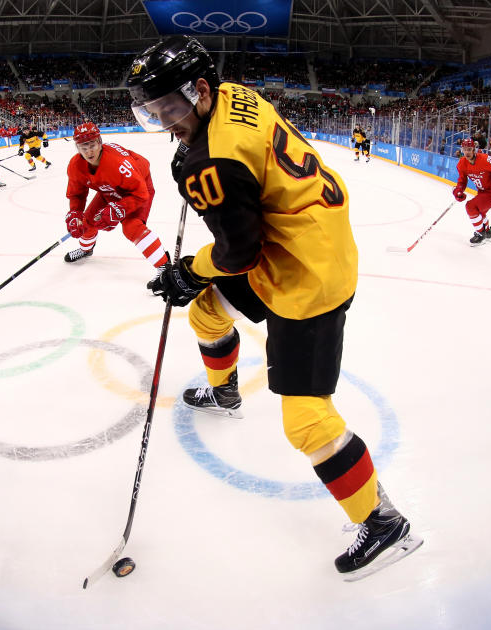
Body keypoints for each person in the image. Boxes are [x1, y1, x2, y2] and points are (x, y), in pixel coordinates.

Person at [127, 35, 421, 580]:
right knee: (206, 310)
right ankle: (227, 391)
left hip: (306, 278)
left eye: (168, 107)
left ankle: (384, 523)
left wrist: (189, 268)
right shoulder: (234, 95)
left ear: (199, 91)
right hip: (301, 244)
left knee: (307, 420)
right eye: (153, 109)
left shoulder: (210, 162)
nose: (163, 120)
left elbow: (239, 252)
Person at [62, 121, 170, 277]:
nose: (89, 152)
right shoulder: (75, 165)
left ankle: (165, 267)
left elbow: (141, 193)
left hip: (137, 189)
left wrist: (118, 209)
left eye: (92, 145)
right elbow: (76, 194)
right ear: (77, 148)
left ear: (99, 142)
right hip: (109, 188)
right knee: (87, 220)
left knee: (132, 227)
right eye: (83, 148)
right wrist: (75, 213)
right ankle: (86, 249)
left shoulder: (118, 164)